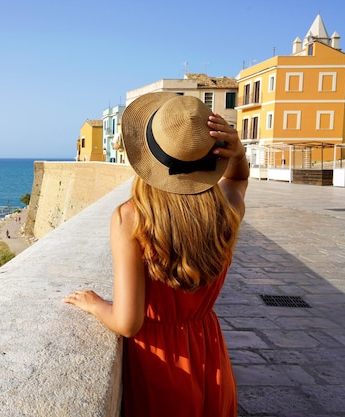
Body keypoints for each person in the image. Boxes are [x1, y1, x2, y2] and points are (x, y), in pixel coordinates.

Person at [64, 93, 249, 417]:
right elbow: (238, 178)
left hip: (160, 365)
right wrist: (238, 152)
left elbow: (127, 323)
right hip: (209, 355)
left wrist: (95, 304)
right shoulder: (227, 210)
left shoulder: (131, 219)